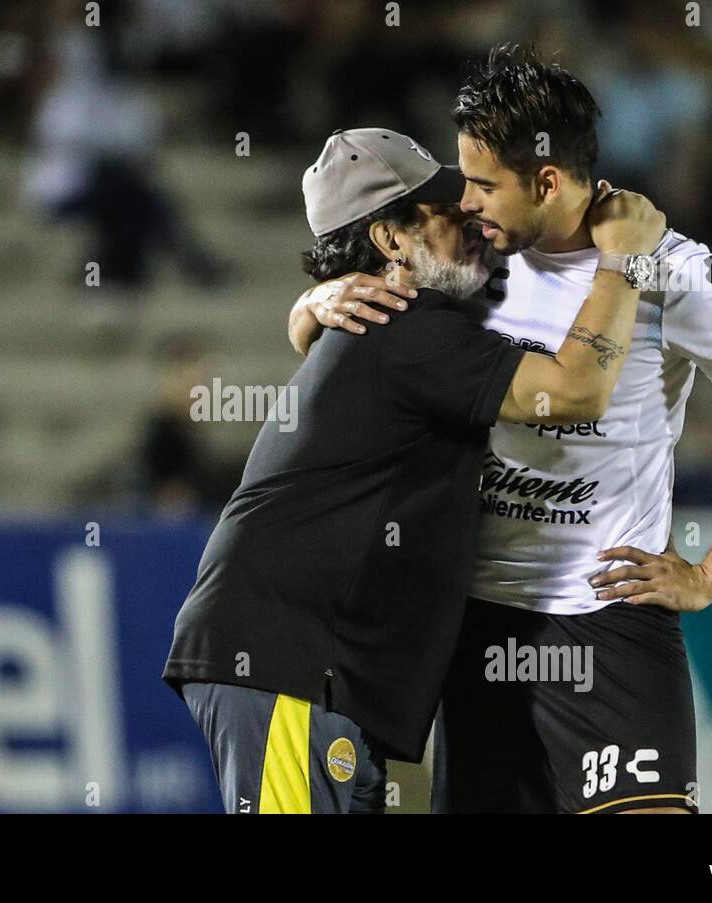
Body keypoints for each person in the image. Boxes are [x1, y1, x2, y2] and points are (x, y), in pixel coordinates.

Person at [289, 46, 712, 814]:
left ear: (545, 181)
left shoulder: (671, 269)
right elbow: (371, 353)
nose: (465, 201)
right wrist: (310, 306)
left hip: (611, 625)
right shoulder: (471, 264)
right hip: (478, 626)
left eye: (483, 184)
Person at [165, 127, 665, 814]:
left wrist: (306, 307)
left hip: (313, 671)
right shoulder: (410, 328)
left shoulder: (390, 323)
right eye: (445, 212)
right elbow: (576, 389)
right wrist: (624, 261)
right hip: (292, 662)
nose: (473, 220)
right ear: (391, 239)